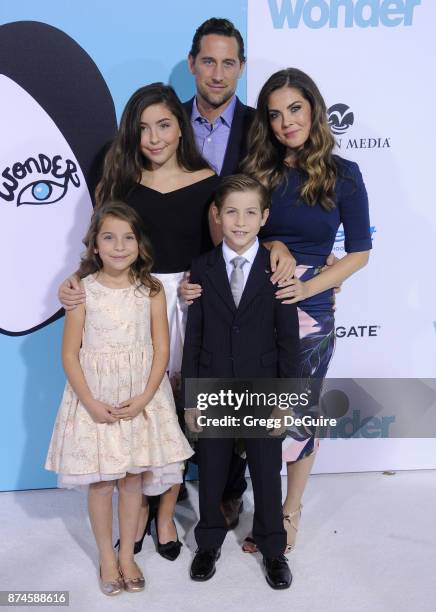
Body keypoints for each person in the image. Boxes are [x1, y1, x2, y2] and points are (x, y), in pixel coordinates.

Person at [183, 68, 372, 553]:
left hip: (310, 310)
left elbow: (358, 253)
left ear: (313, 108)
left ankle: (290, 511)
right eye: (275, 114)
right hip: (252, 298)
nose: (287, 122)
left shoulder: (345, 174)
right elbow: (237, 224)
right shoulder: (260, 169)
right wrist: (277, 243)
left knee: (297, 412)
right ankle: (249, 502)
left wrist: (311, 288)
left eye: (295, 109)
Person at [58, 83, 219, 551]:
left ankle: (166, 513)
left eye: (164, 125)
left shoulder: (208, 181)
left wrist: (202, 287)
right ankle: (138, 509)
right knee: (142, 410)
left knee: (175, 414)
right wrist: (75, 278)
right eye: (143, 128)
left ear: (180, 127)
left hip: (187, 304)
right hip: (134, 301)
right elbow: (104, 244)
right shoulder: (123, 182)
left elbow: (217, 252)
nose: (154, 137)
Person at [183, 17, 297, 528]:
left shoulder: (261, 129)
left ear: (242, 68)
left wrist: (277, 244)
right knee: (186, 381)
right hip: (177, 275)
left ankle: (230, 492)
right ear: (192, 64)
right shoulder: (167, 121)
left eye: (229, 62)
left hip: (240, 272)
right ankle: (168, 492)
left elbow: (277, 200)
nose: (218, 72)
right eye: (208, 60)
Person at [45, 202, 193, 595]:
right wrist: (90, 403)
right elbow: (69, 354)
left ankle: (127, 553)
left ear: (140, 245)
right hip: (96, 399)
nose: (119, 245)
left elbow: (161, 349)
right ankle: (107, 557)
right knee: (101, 484)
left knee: (132, 481)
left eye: (128, 237)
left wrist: (146, 396)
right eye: (108, 237)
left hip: (140, 399)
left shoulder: (152, 289)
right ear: (94, 245)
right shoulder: (83, 293)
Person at [182, 174, 299, 589]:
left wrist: (286, 397)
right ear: (216, 215)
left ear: (264, 217)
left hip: (264, 384)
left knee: (267, 472)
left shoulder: (277, 269)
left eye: (251, 212)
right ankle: (208, 541)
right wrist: (193, 399)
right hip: (213, 385)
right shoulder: (201, 266)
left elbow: (289, 339)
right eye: (231, 211)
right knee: (211, 469)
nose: (240, 220)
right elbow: (194, 337)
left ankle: (273, 549)